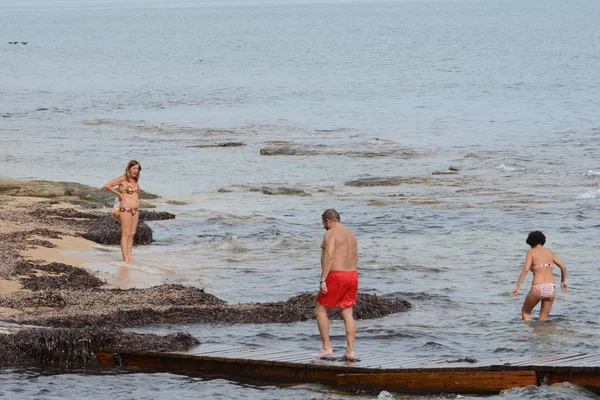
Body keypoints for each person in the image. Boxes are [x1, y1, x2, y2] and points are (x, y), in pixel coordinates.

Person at [314, 209, 359, 361]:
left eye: (323, 223)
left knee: (320, 310)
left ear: (326, 219)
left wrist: (323, 279)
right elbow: (355, 255)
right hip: (352, 274)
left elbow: (329, 255)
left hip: (336, 275)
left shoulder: (330, 233)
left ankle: (326, 347)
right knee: (347, 312)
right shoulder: (350, 233)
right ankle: (350, 351)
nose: (323, 226)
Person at [511, 231, 567, 321]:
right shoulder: (550, 252)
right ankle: (542, 335)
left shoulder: (531, 252)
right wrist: (563, 281)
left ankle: (528, 334)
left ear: (531, 242)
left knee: (525, 312)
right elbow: (563, 267)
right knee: (543, 320)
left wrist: (517, 286)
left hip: (538, 287)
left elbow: (525, 269)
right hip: (551, 288)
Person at [103, 160, 142, 262]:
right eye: (134, 168)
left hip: (136, 210)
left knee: (132, 234)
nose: (135, 170)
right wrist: (119, 194)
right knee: (125, 234)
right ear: (129, 168)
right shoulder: (123, 178)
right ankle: (125, 259)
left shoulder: (135, 180)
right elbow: (107, 185)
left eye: (137, 169)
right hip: (125, 209)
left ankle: (130, 258)